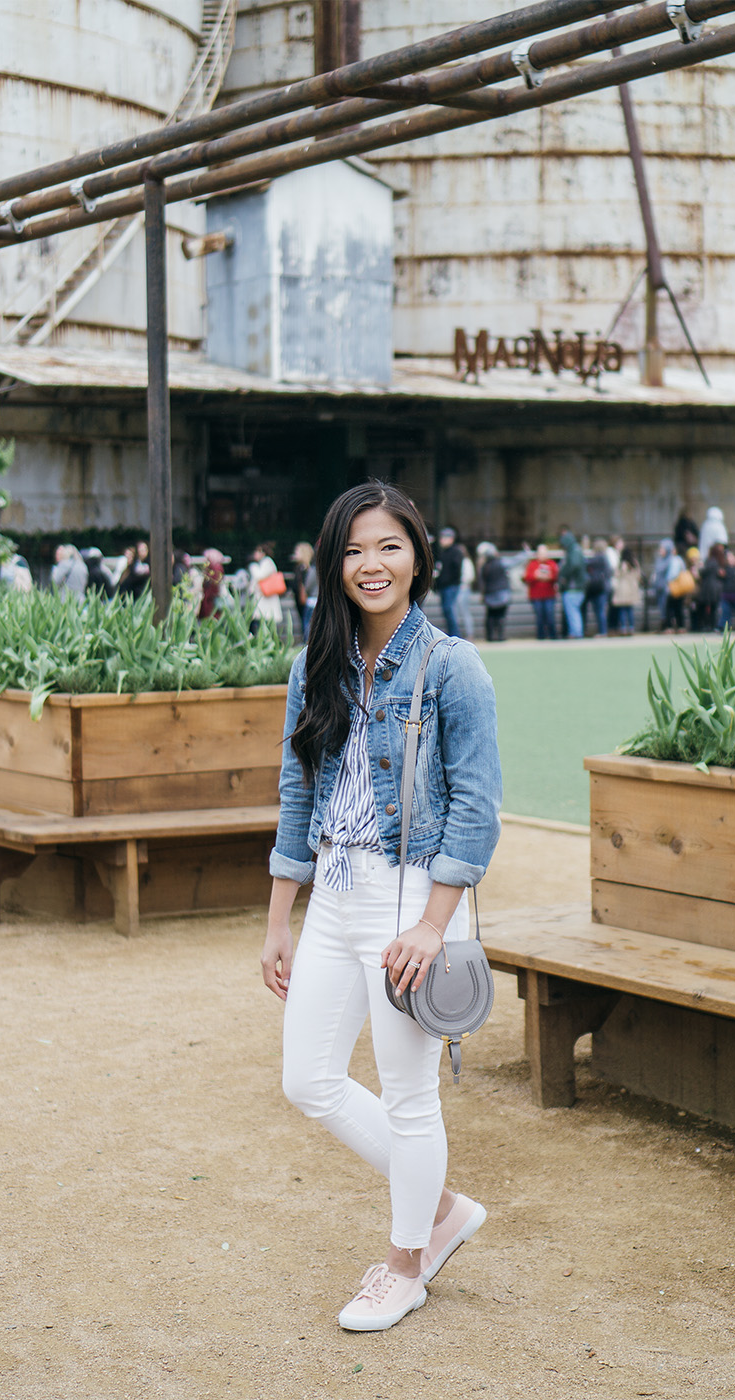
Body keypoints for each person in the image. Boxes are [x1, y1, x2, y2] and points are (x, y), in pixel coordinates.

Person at [261, 480, 501, 1334]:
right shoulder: (313, 665)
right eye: (355, 550)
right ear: (333, 564)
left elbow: (476, 808)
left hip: (414, 901)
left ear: (417, 557)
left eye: (389, 546)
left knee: (409, 1095)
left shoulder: (451, 666)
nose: (372, 564)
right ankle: (440, 1208)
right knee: (308, 1080)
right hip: (334, 891)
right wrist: (279, 917)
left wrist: (434, 925)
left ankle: (406, 1262)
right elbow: (298, 791)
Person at [523, 544, 559, 640]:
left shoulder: (551, 564)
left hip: (549, 594)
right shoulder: (532, 564)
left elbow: (555, 576)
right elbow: (527, 577)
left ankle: (553, 635)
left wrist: (547, 577)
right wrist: (536, 576)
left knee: (550, 615)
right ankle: (541, 636)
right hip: (536, 596)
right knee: (539, 617)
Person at [433, 527, 464, 637]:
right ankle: (452, 633)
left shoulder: (456, 552)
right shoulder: (443, 553)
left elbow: (456, 571)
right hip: (444, 586)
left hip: (451, 586)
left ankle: (455, 634)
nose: (441, 540)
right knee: (446, 611)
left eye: (444, 538)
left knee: (449, 609)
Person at [477, 541, 511, 641]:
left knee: (490, 616)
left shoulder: (484, 567)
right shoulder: (501, 563)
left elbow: (482, 582)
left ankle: (490, 636)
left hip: (490, 594)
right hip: (502, 594)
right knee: (500, 616)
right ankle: (500, 636)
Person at [248, 542, 284, 632]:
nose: (255, 554)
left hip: (266, 598)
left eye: (258, 551)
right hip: (263, 599)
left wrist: (253, 567)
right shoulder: (263, 563)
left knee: (264, 623)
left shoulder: (267, 562)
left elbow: (259, 576)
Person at [557, 529, 586, 638]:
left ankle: (576, 633)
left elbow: (573, 566)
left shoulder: (574, 551)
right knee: (573, 611)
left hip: (573, 587)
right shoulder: (575, 550)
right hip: (576, 587)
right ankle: (575, 632)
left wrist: (564, 575)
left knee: (572, 611)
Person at [583, 539, 611, 637]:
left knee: (599, 611)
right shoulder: (605, 559)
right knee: (600, 611)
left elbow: (586, 563)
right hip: (602, 588)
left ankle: (602, 631)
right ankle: (602, 631)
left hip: (598, 588)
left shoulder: (598, 558)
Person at [611, 546, 642, 635]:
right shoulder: (634, 563)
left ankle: (624, 628)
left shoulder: (622, 564)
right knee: (629, 609)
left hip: (623, 588)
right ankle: (631, 627)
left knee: (623, 610)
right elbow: (638, 576)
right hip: (632, 588)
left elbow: (617, 574)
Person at [291, 541, 318, 641]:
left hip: (309, 601)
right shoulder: (306, 569)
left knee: (308, 627)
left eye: (297, 551)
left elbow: (307, 587)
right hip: (304, 601)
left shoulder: (308, 570)